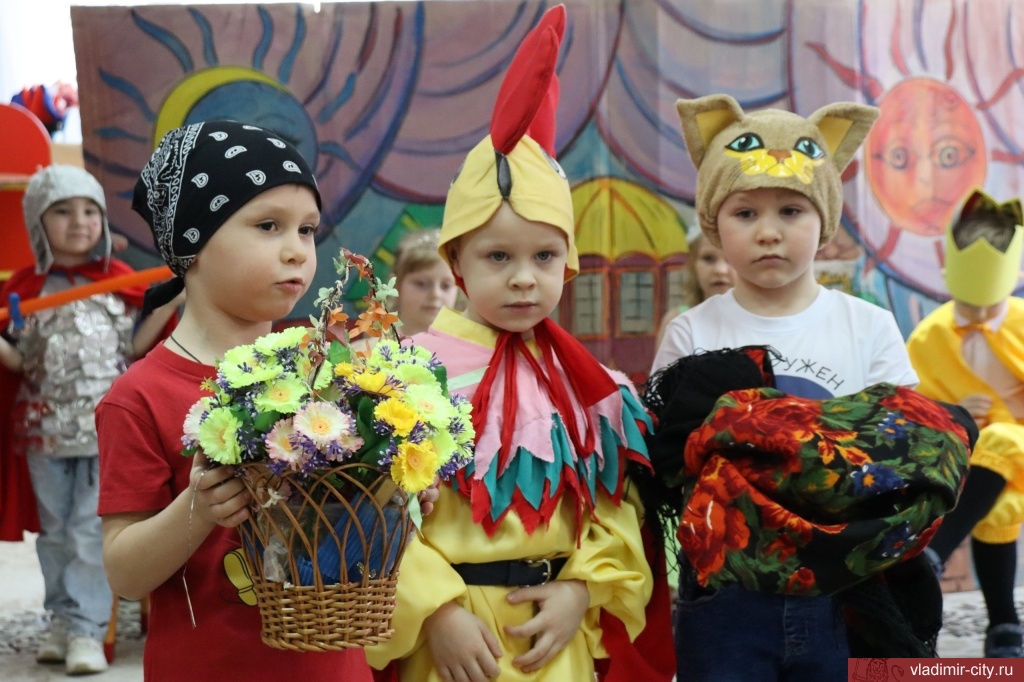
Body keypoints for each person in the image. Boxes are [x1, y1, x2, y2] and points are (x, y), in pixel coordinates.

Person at [366, 6, 671, 682]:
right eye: (498, 256)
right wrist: (436, 611)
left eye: (544, 255)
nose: (524, 279)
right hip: (448, 645)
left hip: (552, 642)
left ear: (569, 261)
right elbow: (367, 511)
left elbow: (616, 512)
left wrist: (581, 591)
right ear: (456, 263)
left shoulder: (592, 388)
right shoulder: (406, 379)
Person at [94, 121, 404, 681]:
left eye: (307, 230)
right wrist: (197, 510)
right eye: (268, 226)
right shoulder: (139, 395)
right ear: (192, 244)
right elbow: (123, 573)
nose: (297, 251)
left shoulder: (330, 375)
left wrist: (393, 495)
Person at [654, 94, 927, 680]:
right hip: (725, 597)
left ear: (824, 219)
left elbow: (907, 451)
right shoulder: (690, 332)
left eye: (791, 211)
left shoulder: (867, 326)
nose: (768, 233)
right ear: (712, 222)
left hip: (844, 591)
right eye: (745, 213)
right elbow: (669, 467)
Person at [0, 164, 178, 675]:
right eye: (62, 211)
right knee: (54, 533)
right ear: (38, 221)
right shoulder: (25, 288)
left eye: (89, 211)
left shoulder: (121, 282)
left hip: (105, 430)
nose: (79, 222)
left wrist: (173, 303)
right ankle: (61, 618)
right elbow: (18, 361)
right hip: (42, 432)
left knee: (87, 529)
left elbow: (135, 350)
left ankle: (87, 629)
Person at [907, 189, 1024, 658]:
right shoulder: (927, 337)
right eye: (966, 303)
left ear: (1013, 278)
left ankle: (935, 546)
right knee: (995, 511)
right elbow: (917, 415)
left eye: (986, 303)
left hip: (1015, 441)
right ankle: (1004, 626)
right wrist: (955, 413)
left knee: (1003, 436)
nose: (975, 315)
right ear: (946, 278)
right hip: (973, 461)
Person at [653, 233, 734, 348]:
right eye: (708, 258)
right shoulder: (678, 322)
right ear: (693, 265)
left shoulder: (764, 321)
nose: (720, 270)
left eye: (731, 258)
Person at [391, 229, 459, 338]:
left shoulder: (470, 350)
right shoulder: (368, 350)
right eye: (421, 284)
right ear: (396, 285)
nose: (435, 294)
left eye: (446, 286)